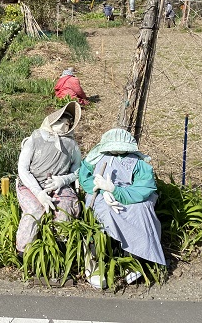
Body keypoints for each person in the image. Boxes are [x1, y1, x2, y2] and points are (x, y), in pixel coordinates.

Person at [78, 128, 166, 288]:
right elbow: (85, 179)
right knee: (106, 211)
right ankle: (96, 259)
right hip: (99, 194)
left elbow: (144, 187)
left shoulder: (137, 162)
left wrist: (116, 191)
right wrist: (103, 190)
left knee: (142, 210)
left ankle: (134, 255)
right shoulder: (96, 157)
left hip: (130, 194)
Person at [15, 101, 82, 256]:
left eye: (67, 122)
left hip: (58, 185)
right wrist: (39, 193)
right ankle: (23, 252)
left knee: (65, 207)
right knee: (35, 210)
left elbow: (78, 170)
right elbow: (23, 169)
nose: (63, 124)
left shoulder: (71, 145)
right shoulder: (35, 139)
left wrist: (63, 180)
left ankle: (60, 250)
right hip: (30, 185)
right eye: (60, 120)